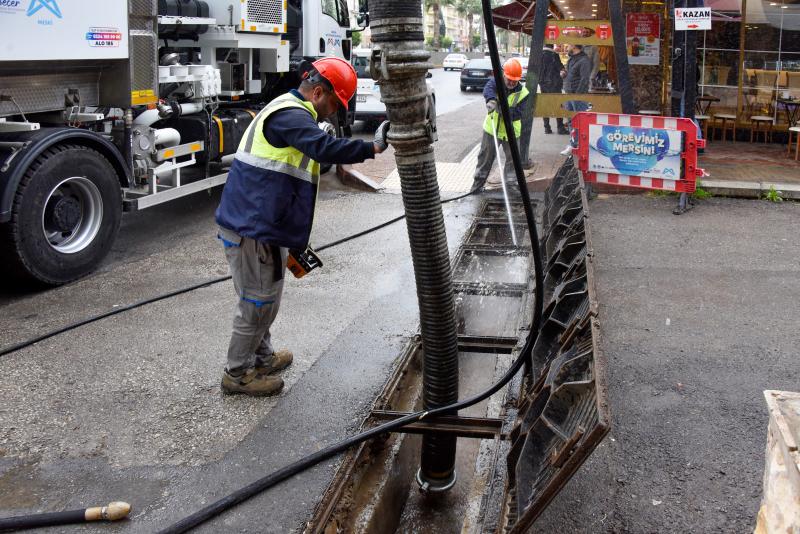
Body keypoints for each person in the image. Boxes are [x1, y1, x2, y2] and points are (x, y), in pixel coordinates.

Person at [215, 57, 390, 396]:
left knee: (267, 299)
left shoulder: (296, 112)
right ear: (319, 92)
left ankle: (262, 358)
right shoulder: (290, 116)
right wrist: (374, 147)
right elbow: (322, 148)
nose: (334, 112)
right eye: (335, 104)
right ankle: (236, 374)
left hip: (266, 225)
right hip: (252, 227)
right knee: (257, 301)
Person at [470, 58, 530, 192]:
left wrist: (503, 109)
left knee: (513, 161)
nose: (511, 82)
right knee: (485, 159)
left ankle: (510, 187)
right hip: (492, 130)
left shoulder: (524, 93)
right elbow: (488, 88)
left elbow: (518, 114)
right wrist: (491, 100)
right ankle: (477, 187)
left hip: (511, 132)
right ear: (504, 74)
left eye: (514, 80)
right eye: (509, 79)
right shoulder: (495, 83)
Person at [560, 44, 592, 156]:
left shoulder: (584, 60)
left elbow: (584, 79)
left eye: (568, 45)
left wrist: (577, 95)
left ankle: (578, 145)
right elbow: (572, 75)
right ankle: (573, 144)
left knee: (579, 121)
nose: (566, 47)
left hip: (578, 96)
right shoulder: (572, 59)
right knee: (571, 121)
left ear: (574, 46)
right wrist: (565, 75)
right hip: (569, 94)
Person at [540, 44, 568, 135]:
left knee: (545, 106)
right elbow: (561, 69)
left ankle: (547, 128)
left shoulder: (539, 54)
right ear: (552, 46)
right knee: (558, 105)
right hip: (554, 84)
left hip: (543, 85)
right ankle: (560, 127)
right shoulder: (554, 55)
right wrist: (564, 73)